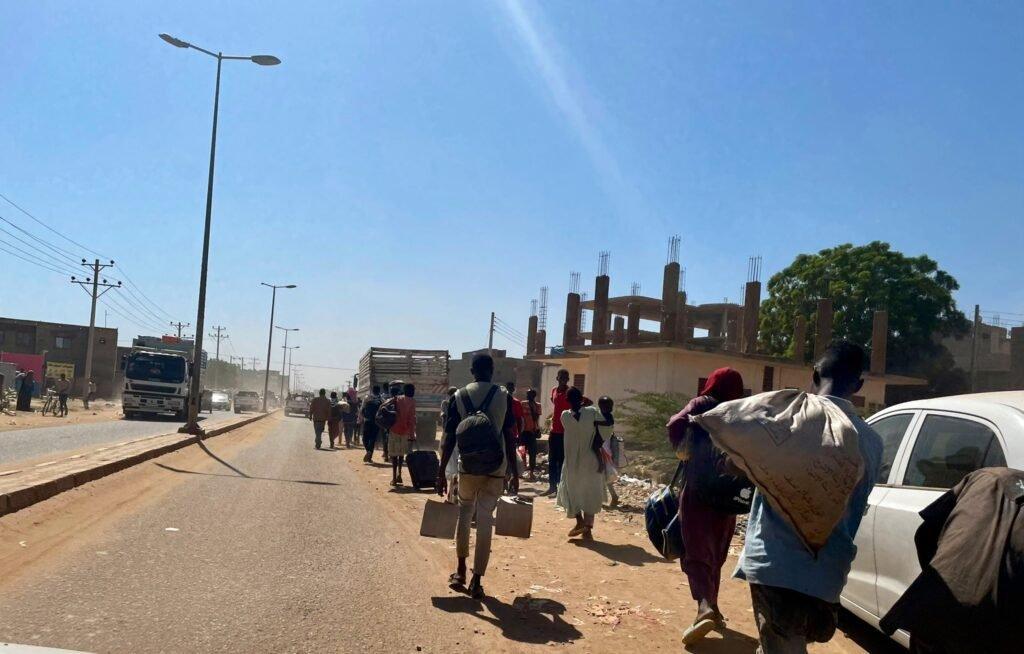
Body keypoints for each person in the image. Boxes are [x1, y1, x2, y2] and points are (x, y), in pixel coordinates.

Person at [734, 341, 882, 654]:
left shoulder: (784, 421)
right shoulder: (872, 441)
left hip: (776, 566)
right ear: (858, 386)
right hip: (827, 575)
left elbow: (738, 462)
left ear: (814, 374)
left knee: (783, 646)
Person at [665, 367, 746, 645]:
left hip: (699, 489)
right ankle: (715, 607)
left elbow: (675, 423)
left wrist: (686, 445)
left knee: (696, 550)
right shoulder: (740, 411)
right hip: (727, 494)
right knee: (716, 550)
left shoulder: (702, 404)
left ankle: (704, 607)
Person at [437, 353, 518, 600]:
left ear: (472, 371)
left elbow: (449, 438)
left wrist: (441, 471)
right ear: (492, 370)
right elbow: (510, 436)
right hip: (495, 468)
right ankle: (477, 580)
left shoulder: (459, 396)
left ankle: (460, 570)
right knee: (485, 521)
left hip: (468, 467)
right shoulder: (503, 396)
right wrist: (514, 471)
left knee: (464, 515)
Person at [557, 386, 605, 539]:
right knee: (589, 491)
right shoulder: (591, 412)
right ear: (581, 398)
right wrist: (586, 403)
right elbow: (603, 423)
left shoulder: (564, 416)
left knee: (571, 490)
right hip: (590, 458)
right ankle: (587, 528)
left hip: (572, 461)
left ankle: (580, 521)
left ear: (567, 400)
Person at [541, 369, 573, 496]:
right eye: (561, 377)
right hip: (554, 431)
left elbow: (585, 402)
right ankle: (552, 487)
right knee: (552, 460)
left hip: (566, 432)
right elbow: (553, 401)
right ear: (557, 378)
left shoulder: (570, 392)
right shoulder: (554, 390)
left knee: (562, 461)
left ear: (568, 379)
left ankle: (561, 489)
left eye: (565, 377)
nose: (563, 379)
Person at [386, 383, 417, 486]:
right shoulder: (412, 402)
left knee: (394, 455)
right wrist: (412, 435)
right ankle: (399, 475)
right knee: (401, 455)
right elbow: (412, 420)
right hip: (405, 431)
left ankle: (394, 478)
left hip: (394, 429)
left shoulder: (397, 398)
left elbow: (385, 405)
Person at [596, 396, 618, 508]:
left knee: (604, 475)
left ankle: (613, 497)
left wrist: (595, 422)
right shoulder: (599, 415)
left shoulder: (608, 417)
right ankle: (612, 496)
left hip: (603, 449)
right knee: (604, 476)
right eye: (608, 406)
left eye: (610, 406)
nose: (610, 408)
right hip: (601, 448)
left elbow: (608, 423)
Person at [520, 388, 541, 481]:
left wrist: (532, 408)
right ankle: (521, 471)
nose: (528, 396)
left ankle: (531, 472)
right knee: (521, 452)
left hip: (532, 432)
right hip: (523, 431)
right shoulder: (522, 404)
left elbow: (536, 418)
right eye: (527, 394)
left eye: (530, 394)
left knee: (532, 453)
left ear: (534, 396)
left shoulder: (537, 405)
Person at [361, 385, 383, 462]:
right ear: (379, 391)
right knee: (373, 439)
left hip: (367, 420)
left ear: (372, 390)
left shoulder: (367, 398)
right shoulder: (381, 399)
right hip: (376, 422)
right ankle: (369, 455)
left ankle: (368, 451)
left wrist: (361, 418)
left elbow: (362, 409)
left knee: (365, 438)